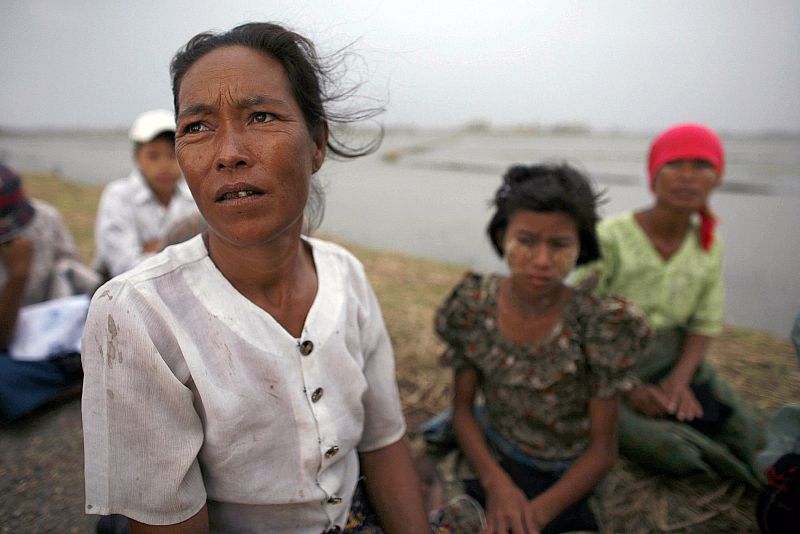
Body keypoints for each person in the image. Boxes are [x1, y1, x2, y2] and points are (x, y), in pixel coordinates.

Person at [80, 22, 430, 533]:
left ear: (317, 144)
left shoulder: (346, 276)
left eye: (261, 116)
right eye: (197, 127)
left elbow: (382, 444)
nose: (228, 153)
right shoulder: (137, 315)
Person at [434, 163, 651, 533]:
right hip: (495, 450)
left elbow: (602, 451)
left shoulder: (600, 325)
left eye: (560, 245)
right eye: (526, 240)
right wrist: (496, 484)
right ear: (503, 236)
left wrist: (532, 517)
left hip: (567, 471)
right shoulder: (474, 304)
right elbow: (464, 411)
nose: (541, 260)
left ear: (581, 244)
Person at [572, 123, 766, 487]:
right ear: (654, 175)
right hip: (603, 367)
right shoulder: (609, 237)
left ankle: (772, 479)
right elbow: (576, 318)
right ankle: (749, 483)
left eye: (701, 166)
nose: (688, 177)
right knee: (672, 450)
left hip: (674, 359)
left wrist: (678, 381)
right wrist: (629, 387)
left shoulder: (710, 246)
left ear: (717, 179)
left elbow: (704, 324)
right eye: (675, 164)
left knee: (751, 427)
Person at [0, 163, 99, 421]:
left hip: (58, 331)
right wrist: (18, 276)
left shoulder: (46, 219)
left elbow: (75, 276)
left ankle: (72, 368)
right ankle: (72, 376)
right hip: (10, 346)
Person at [93, 108, 198, 278]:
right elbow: (124, 267)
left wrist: (154, 249)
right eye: (153, 156)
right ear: (137, 157)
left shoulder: (194, 197)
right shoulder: (118, 196)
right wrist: (181, 253)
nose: (164, 165)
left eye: (173, 156)